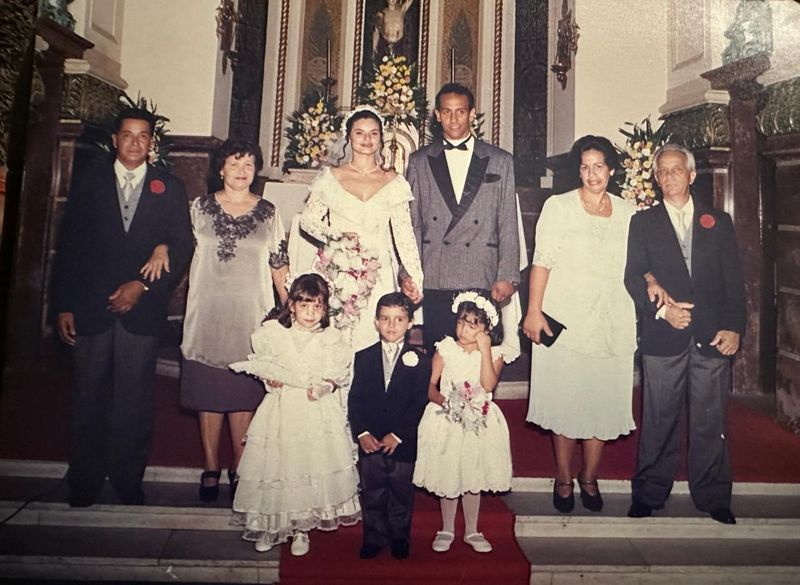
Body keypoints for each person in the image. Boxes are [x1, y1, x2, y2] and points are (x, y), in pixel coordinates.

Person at [53, 107, 193, 507]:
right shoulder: (90, 181)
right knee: (88, 396)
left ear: (152, 143)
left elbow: (182, 245)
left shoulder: (168, 187)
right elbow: (69, 246)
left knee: (134, 400)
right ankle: (84, 479)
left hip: (141, 311)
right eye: (127, 135)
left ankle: (128, 478)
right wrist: (64, 305)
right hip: (90, 307)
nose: (135, 142)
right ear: (115, 140)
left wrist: (142, 286)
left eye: (143, 136)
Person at [141, 140, 290, 502]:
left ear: (256, 171)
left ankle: (239, 464)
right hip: (207, 314)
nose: (241, 171)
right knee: (208, 393)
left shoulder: (268, 213)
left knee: (242, 395)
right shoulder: (199, 208)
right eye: (234, 163)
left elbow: (279, 265)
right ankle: (210, 464)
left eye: (249, 164)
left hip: (250, 316)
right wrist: (161, 247)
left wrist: (291, 309)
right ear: (220, 169)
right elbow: (176, 243)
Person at [522, 135, 644, 514]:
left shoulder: (628, 212)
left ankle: (589, 476)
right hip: (565, 320)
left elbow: (640, 266)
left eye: (599, 166)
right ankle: (563, 476)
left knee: (601, 401)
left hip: (612, 319)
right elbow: (542, 261)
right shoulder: (559, 207)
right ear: (578, 170)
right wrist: (533, 311)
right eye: (585, 167)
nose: (592, 174)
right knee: (566, 400)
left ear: (612, 170)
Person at [625, 144, 746, 525]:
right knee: (658, 419)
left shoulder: (718, 221)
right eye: (662, 171)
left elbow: (734, 280)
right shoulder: (643, 223)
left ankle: (713, 496)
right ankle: (649, 493)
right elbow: (633, 276)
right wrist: (664, 311)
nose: (668, 177)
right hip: (663, 335)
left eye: (676, 170)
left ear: (692, 175)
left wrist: (734, 326)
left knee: (710, 420)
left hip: (712, 335)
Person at [229, 274, 361, 555]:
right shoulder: (274, 334)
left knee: (306, 466)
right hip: (282, 408)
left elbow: (338, 374)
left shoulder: (331, 339)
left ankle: (301, 528)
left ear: (325, 309)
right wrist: (270, 380)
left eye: (317, 307)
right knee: (276, 466)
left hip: (314, 410)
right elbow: (266, 365)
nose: (310, 313)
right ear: (292, 306)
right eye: (304, 306)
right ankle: (271, 524)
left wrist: (326, 386)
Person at [403, 83, 519, 355]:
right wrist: (408, 272)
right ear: (437, 115)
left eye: (460, 111)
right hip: (436, 272)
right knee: (440, 357)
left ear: (472, 114)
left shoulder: (500, 160)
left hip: (480, 271)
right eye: (447, 112)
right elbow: (412, 224)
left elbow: (508, 222)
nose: (454, 119)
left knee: (480, 360)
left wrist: (507, 275)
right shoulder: (419, 161)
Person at [298, 104, 423, 352]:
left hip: (379, 271)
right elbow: (308, 221)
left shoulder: (393, 181)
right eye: (360, 133)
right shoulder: (331, 177)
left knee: (374, 339)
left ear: (381, 138)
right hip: (338, 268)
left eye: (373, 133)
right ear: (349, 136)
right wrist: (340, 239)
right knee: (335, 338)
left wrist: (416, 277)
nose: (367, 139)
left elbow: (404, 235)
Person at [413, 291, 513, 554]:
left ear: (486, 329)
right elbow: (430, 387)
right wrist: (446, 402)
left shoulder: (495, 354)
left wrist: (484, 349)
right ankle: (447, 528)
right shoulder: (445, 348)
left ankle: (472, 530)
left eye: (472, 325)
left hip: (479, 418)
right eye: (460, 322)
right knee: (449, 470)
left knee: (472, 469)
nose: (463, 329)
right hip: (447, 417)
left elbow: (488, 385)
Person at [348, 292, 431, 560]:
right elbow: (355, 399)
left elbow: (418, 402)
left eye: (399, 319)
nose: (391, 325)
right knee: (372, 491)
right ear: (376, 322)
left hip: (402, 441)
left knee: (400, 491)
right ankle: (374, 537)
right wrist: (362, 433)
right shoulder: (363, 357)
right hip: (370, 439)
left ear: (410, 323)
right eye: (385, 319)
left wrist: (398, 435)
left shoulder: (420, 360)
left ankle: (399, 537)